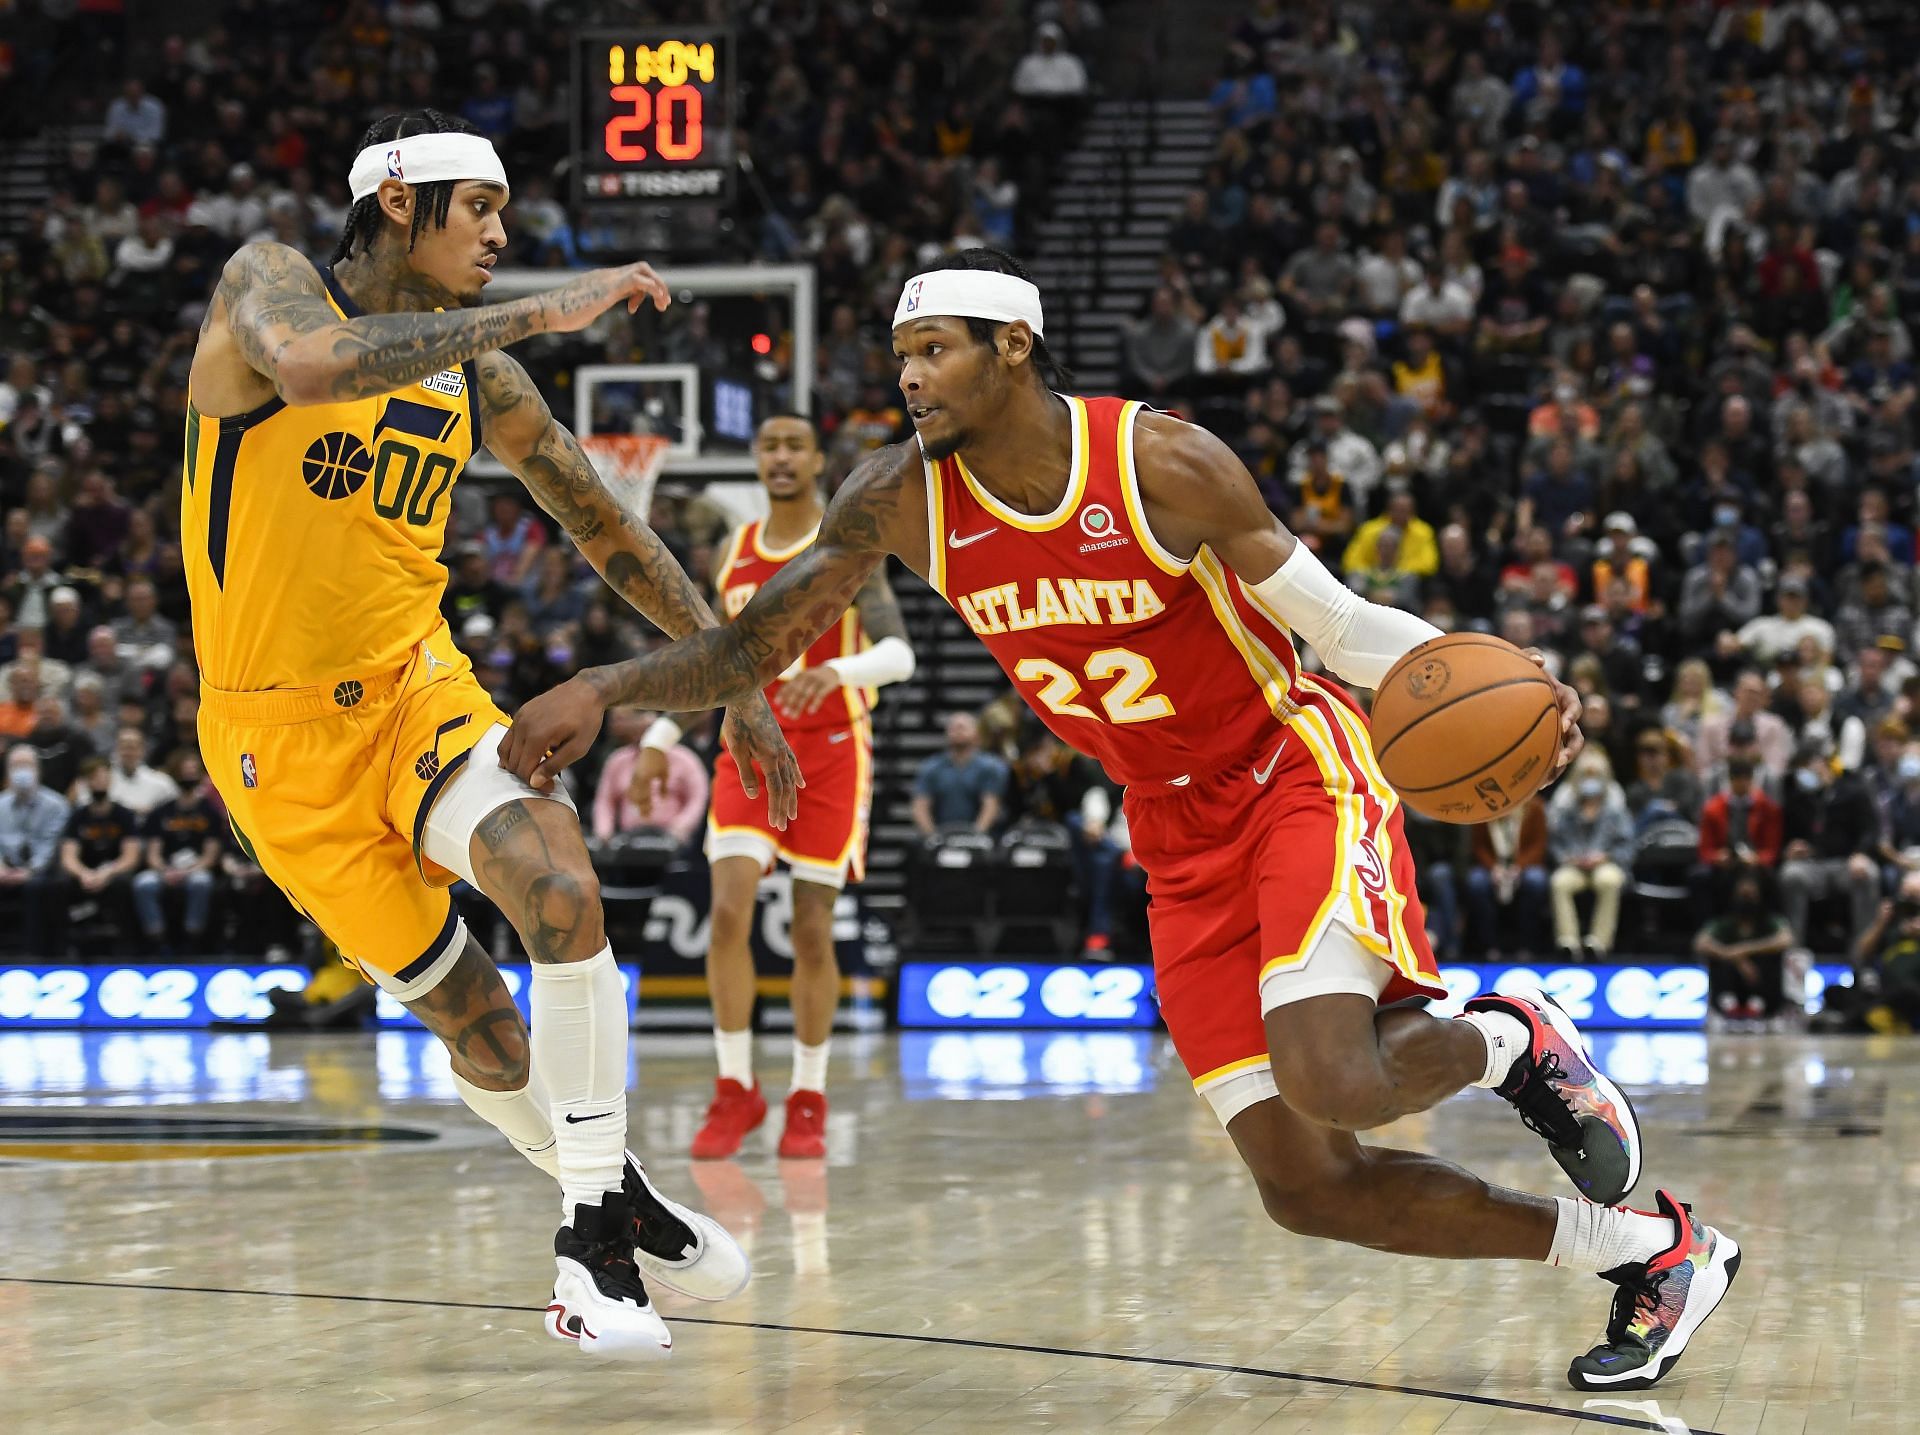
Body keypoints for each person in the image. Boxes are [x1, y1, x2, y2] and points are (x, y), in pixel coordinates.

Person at [504, 248, 1740, 1391]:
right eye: (901, 355)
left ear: (1017, 350)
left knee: (1338, 1077)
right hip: (1170, 829)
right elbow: (755, 641)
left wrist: (1521, 676)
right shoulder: (899, 498)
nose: (911, 376)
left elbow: (1347, 628)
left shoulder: (1164, 465)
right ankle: (1650, 1250)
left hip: (1289, 770)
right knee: (1308, 1187)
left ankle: (1512, 1039)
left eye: (939, 350)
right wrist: (606, 688)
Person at [181, 109, 791, 1357]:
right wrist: (543, 310)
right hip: (271, 742)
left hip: (418, 691)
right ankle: (610, 1183)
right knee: (485, 1031)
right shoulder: (264, 281)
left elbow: (608, 530)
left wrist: (731, 675)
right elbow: (313, 367)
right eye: (482, 211)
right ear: (400, 202)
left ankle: (589, 1243)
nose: (503, 237)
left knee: (561, 888)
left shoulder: (479, 374)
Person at [630, 414, 914, 1162]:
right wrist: (660, 738)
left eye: (795, 444)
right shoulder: (736, 551)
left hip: (831, 754)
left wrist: (840, 672)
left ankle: (809, 1095)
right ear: (758, 458)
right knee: (728, 912)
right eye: (770, 444)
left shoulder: (847, 543)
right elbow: (716, 659)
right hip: (749, 750)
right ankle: (735, 1089)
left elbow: (899, 653)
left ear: (818, 459)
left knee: (812, 929)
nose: (781, 455)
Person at [132, 749, 224, 952]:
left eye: (192, 772)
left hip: (196, 868)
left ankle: (193, 937)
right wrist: (166, 871)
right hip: (166, 868)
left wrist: (187, 872)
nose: (188, 777)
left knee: (201, 882)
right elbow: (153, 853)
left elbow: (211, 855)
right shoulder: (162, 812)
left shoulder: (209, 812)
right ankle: (157, 939)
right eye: (184, 772)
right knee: (143, 883)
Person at [57, 755, 143, 950]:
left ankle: (127, 946)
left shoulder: (123, 815)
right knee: (58, 884)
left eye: (103, 777)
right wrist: (84, 874)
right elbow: (68, 856)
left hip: (114, 871)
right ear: (86, 782)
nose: (99, 782)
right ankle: (63, 947)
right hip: (86, 871)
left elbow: (131, 856)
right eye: (94, 778)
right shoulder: (78, 816)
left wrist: (107, 872)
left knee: (125, 885)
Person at [1548, 773, 1634, 961]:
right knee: (1559, 882)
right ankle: (1568, 942)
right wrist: (1568, 858)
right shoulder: (1567, 812)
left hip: (1606, 864)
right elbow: (1555, 845)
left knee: (1609, 880)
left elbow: (1628, 847)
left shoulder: (1616, 812)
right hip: (1575, 866)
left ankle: (1599, 943)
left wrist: (1606, 856)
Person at [1692, 869, 1793, 1025]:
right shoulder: (1724, 922)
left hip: (1762, 981)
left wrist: (1744, 949)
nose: (1747, 900)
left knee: (1773, 957)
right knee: (1718, 959)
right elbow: (1700, 943)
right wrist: (1736, 958)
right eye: (1743, 895)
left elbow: (1786, 939)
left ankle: (1764, 1008)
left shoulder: (1769, 921)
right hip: (1730, 981)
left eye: (1751, 895)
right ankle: (1727, 1008)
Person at [0, 746, 71, 954]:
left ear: (38, 770)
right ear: (7, 772)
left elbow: (50, 845)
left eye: (27, 765)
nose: (21, 771)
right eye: (16, 766)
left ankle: (35, 954)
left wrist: (30, 871)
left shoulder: (57, 805)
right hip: (5, 868)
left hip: (42, 871)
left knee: (40, 887)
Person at [912, 711, 1008, 836]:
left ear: (976, 733)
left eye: (962, 727)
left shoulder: (991, 767)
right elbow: (920, 806)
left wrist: (975, 836)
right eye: (953, 728)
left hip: (981, 837)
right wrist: (932, 836)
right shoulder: (931, 767)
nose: (957, 731)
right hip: (941, 834)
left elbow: (991, 805)